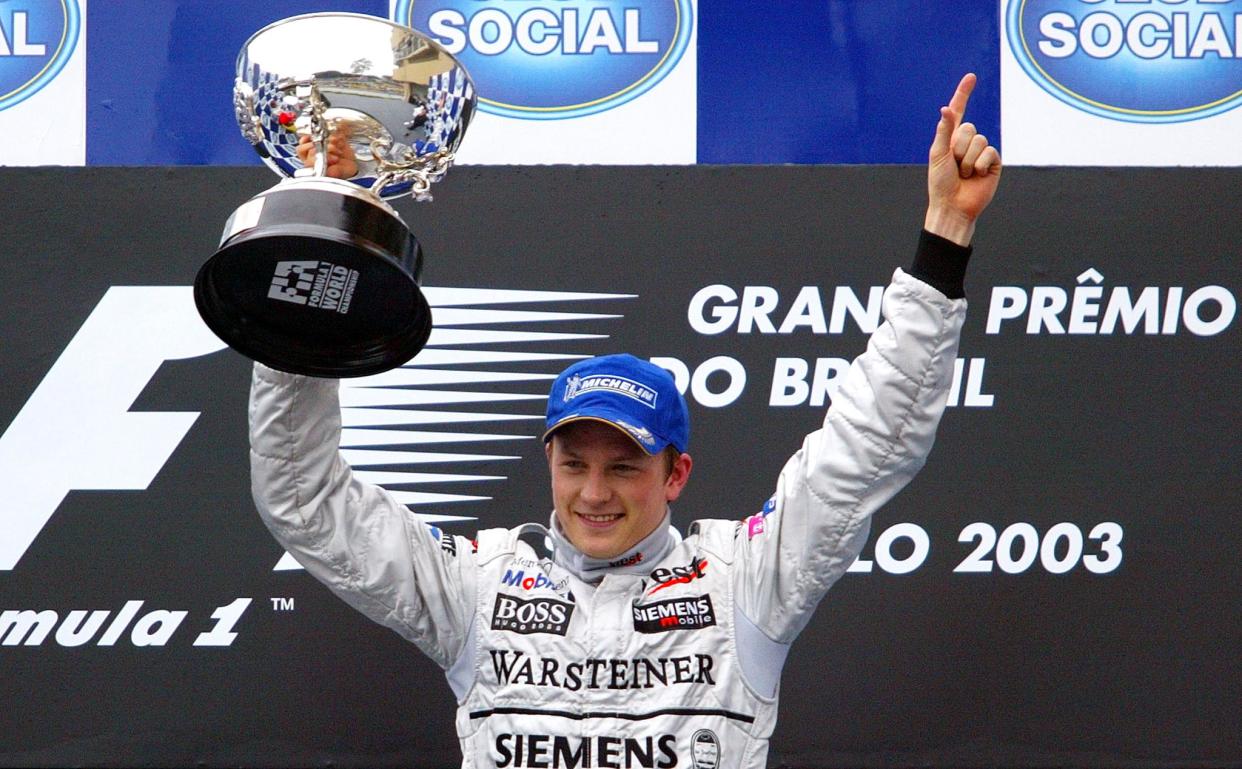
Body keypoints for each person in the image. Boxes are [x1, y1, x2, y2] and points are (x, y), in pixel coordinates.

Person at [252, 74, 1001, 768]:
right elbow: (305, 499)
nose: (593, 491)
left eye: (624, 464)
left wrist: (943, 238)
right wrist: (308, 278)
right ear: (549, 462)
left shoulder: (744, 582)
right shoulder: (474, 586)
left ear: (676, 473)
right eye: (574, 462)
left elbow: (868, 444)